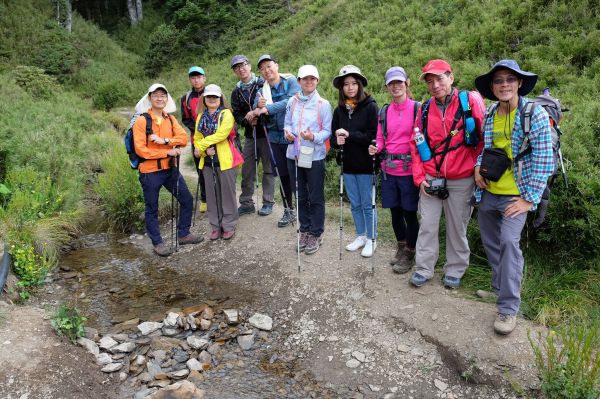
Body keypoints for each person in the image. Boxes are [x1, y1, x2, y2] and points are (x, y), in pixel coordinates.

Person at [473, 60, 554, 335]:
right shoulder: (491, 113)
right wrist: (477, 169)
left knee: (509, 243)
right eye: (498, 80)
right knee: (491, 243)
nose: (504, 84)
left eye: (510, 79)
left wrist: (529, 199)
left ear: (519, 83)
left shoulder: (535, 114)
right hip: (489, 192)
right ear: (492, 87)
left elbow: (545, 158)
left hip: (517, 195)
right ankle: (499, 288)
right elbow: (486, 149)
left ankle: (508, 309)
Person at [409, 59, 485, 288]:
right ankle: (423, 268)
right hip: (432, 177)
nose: (434, 85)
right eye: (429, 81)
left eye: (439, 78)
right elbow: (416, 144)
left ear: (451, 77)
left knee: (457, 227)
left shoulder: (469, 102)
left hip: (462, 178)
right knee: (428, 224)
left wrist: (477, 168)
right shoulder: (424, 109)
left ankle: (455, 269)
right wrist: (420, 177)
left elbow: (483, 137)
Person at [133, 83, 203, 256]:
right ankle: (157, 243)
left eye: (163, 95)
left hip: (170, 170)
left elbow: (183, 139)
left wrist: (164, 141)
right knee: (152, 208)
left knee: (187, 199)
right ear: (149, 98)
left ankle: (183, 234)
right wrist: (168, 152)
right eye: (155, 95)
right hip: (149, 172)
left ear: (167, 99)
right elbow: (141, 150)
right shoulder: (141, 121)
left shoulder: (170, 119)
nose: (159, 98)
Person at [368, 67, 420, 270]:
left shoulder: (417, 108)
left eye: (399, 82)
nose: (396, 86)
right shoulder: (384, 111)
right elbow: (381, 138)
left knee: (409, 213)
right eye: (392, 83)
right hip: (389, 169)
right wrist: (376, 147)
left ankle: (410, 252)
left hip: (409, 171)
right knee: (395, 213)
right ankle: (401, 246)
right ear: (387, 87)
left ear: (407, 83)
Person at [330, 65, 379, 258]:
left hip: (366, 165)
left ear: (360, 85)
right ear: (342, 88)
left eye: (353, 83)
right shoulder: (339, 111)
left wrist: (349, 135)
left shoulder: (371, 107)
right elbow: (333, 139)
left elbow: (373, 136)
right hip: (347, 164)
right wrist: (337, 141)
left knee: (368, 204)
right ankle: (361, 235)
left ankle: (372, 239)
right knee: (355, 204)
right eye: (346, 84)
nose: (350, 88)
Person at [284, 65, 332, 254]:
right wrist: (287, 133)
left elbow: (327, 130)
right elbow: (287, 123)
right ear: (298, 81)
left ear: (317, 81)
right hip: (293, 155)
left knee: (315, 196)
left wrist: (313, 137)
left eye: (312, 79)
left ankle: (316, 232)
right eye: (305, 79)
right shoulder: (292, 102)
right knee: (301, 195)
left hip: (315, 156)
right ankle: (304, 230)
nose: (309, 82)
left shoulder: (323, 104)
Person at [249, 54, 301, 227]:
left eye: (269, 66)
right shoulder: (261, 89)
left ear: (276, 66)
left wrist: (266, 108)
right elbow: (257, 108)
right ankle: (288, 210)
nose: (266, 70)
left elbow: (291, 101)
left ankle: (304, 208)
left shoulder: (291, 81)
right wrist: (259, 106)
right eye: (262, 68)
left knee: (298, 174)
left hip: (293, 136)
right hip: (274, 138)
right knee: (282, 175)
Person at [193, 84, 244, 240]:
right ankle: (215, 226)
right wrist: (203, 151)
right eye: (209, 97)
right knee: (211, 194)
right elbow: (196, 137)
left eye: (215, 96)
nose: (212, 99)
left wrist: (201, 146)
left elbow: (221, 135)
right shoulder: (201, 116)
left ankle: (228, 225)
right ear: (204, 99)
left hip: (225, 160)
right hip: (207, 161)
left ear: (220, 98)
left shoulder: (226, 114)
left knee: (227, 193)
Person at [229, 55, 274, 217]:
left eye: (244, 65)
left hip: (267, 132)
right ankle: (247, 202)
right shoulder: (236, 92)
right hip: (250, 135)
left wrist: (258, 115)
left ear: (249, 66)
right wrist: (248, 120)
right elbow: (237, 116)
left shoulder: (263, 84)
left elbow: (271, 105)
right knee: (247, 169)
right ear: (235, 71)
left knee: (268, 169)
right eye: (237, 67)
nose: (241, 69)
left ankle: (268, 202)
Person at [180, 66, 207, 212]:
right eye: (193, 77)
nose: (196, 80)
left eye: (199, 77)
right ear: (190, 79)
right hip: (196, 138)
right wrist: (198, 130)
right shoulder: (186, 98)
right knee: (200, 168)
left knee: (216, 167)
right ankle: (204, 199)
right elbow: (186, 119)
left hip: (214, 137)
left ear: (204, 78)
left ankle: (219, 196)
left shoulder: (212, 92)